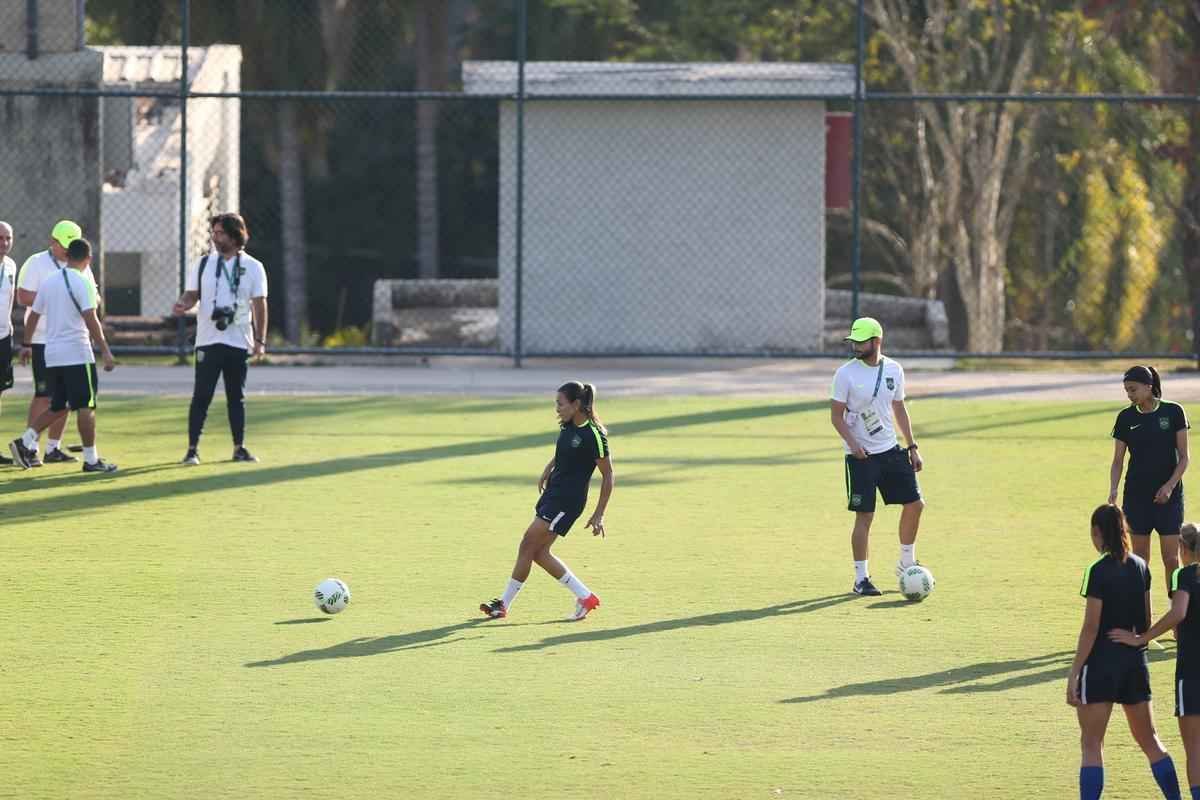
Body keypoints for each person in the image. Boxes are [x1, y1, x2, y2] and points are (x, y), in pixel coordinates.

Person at [1068, 504, 1182, 799]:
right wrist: (1136, 640)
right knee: (1151, 741)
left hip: (1101, 664)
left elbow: (1091, 628)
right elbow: (1144, 622)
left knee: (1092, 744)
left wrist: (1075, 672)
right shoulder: (1141, 566)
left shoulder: (1096, 571)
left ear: (1097, 533)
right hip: (1134, 664)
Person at [480, 381, 614, 621]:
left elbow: (608, 474)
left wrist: (599, 514)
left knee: (527, 544)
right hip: (553, 494)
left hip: (566, 501)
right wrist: (548, 468)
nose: (557, 408)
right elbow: (564, 452)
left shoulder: (593, 434)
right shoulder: (568, 425)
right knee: (539, 553)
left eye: (560, 403)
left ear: (576, 404)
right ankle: (585, 597)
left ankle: (503, 604)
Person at [829, 316, 925, 596]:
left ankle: (906, 562)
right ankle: (861, 579)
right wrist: (853, 445)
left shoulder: (895, 369)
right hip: (861, 457)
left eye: (861, 341)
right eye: (853, 341)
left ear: (877, 341)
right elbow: (836, 416)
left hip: (890, 451)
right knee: (865, 516)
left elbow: (899, 408)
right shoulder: (845, 374)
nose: (856, 346)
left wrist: (912, 446)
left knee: (916, 504)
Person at [9, 238, 117, 473]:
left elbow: (33, 316)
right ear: (88, 260)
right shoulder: (84, 281)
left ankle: (25, 441)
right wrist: (105, 351)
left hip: (52, 352)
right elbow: (91, 319)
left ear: (67, 256)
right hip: (77, 352)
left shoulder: (49, 282)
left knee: (59, 405)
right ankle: (91, 460)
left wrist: (27, 343)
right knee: (87, 406)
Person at [1110, 523, 1200, 800]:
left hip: (1192, 671)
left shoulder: (1184, 575)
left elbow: (1179, 612)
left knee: (1195, 748)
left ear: (1183, 549)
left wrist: (1142, 637)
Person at [171, 213, 268, 465]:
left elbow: (259, 305)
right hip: (207, 339)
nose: (215, 238)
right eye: (213, 233)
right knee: (201, 396)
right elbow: (192, 294)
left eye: (220, 233)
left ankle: (239, 447)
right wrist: (184, 303)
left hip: (238, 340)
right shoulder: (203, 264)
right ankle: (192, 449)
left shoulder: (254, 267)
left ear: (236, 235)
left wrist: (260, 340)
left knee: (236, 397)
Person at [15, 220, 94, 466]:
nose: (68, 250)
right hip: (42, 339)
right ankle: (30, 448)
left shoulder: (80, 264)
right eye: (64, 245)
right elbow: (23, 296)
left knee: (67, 398)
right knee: (44, 395)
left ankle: (53, 448)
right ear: (53, 241)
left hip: (71, 341)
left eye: (72, 245)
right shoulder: (36, 262)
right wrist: (57, 294)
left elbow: (91, 295)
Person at [1110, 365, 1190, 594]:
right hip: (1136, 498)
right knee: (1140, 560)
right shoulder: (1125, 417)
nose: (1130, 395)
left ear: (1148, 386)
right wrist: (1113, 489)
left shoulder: (1174, 412)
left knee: (1171, 559)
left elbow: (1184, 458)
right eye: (1126, 391)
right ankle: (1141, 614)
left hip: (1169, 498)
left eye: (1133, 389)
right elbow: (1118, 461)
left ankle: (1177, 615)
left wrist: (1169, 486)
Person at [0, 222, 16, 465]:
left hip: (4, 337)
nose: (4, 243)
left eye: (7, 238)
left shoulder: (12, 266)